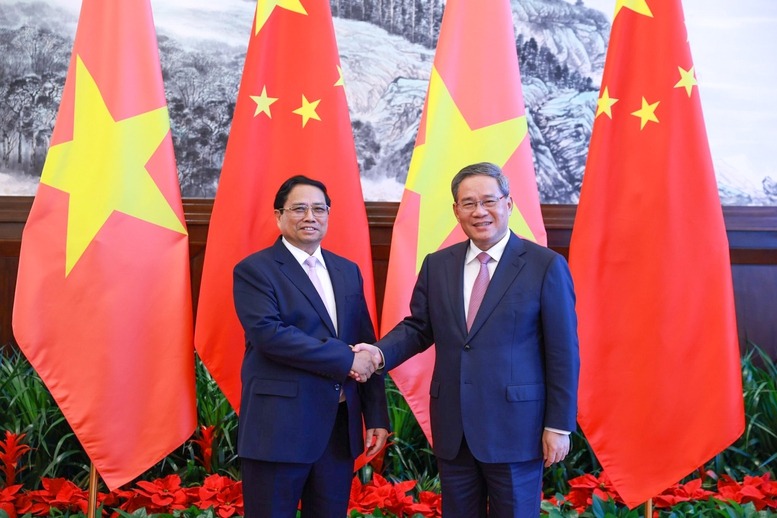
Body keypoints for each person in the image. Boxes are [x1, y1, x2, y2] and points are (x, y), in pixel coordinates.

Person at [354, 162, 580, 517]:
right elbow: (418, 328)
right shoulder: (438, 264)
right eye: (469, 203)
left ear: (508, 203)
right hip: (455, 429)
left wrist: (559, 425)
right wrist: (378, 354)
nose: (480, 211)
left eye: (489, 201)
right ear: (456, 211)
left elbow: (563, 352)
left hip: (517, 430)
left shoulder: (544, 266)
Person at [233, 175, 390, 518]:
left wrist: (376, 414)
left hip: (337, 429)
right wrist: (345, 358)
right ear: (279, 216)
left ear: (328, 216)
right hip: (279, 428)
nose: (310, 217)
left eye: (319, 209)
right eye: (299, 209)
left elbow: (366, 341)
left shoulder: (347, 271)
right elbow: (269, 335)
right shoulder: (255, 270)